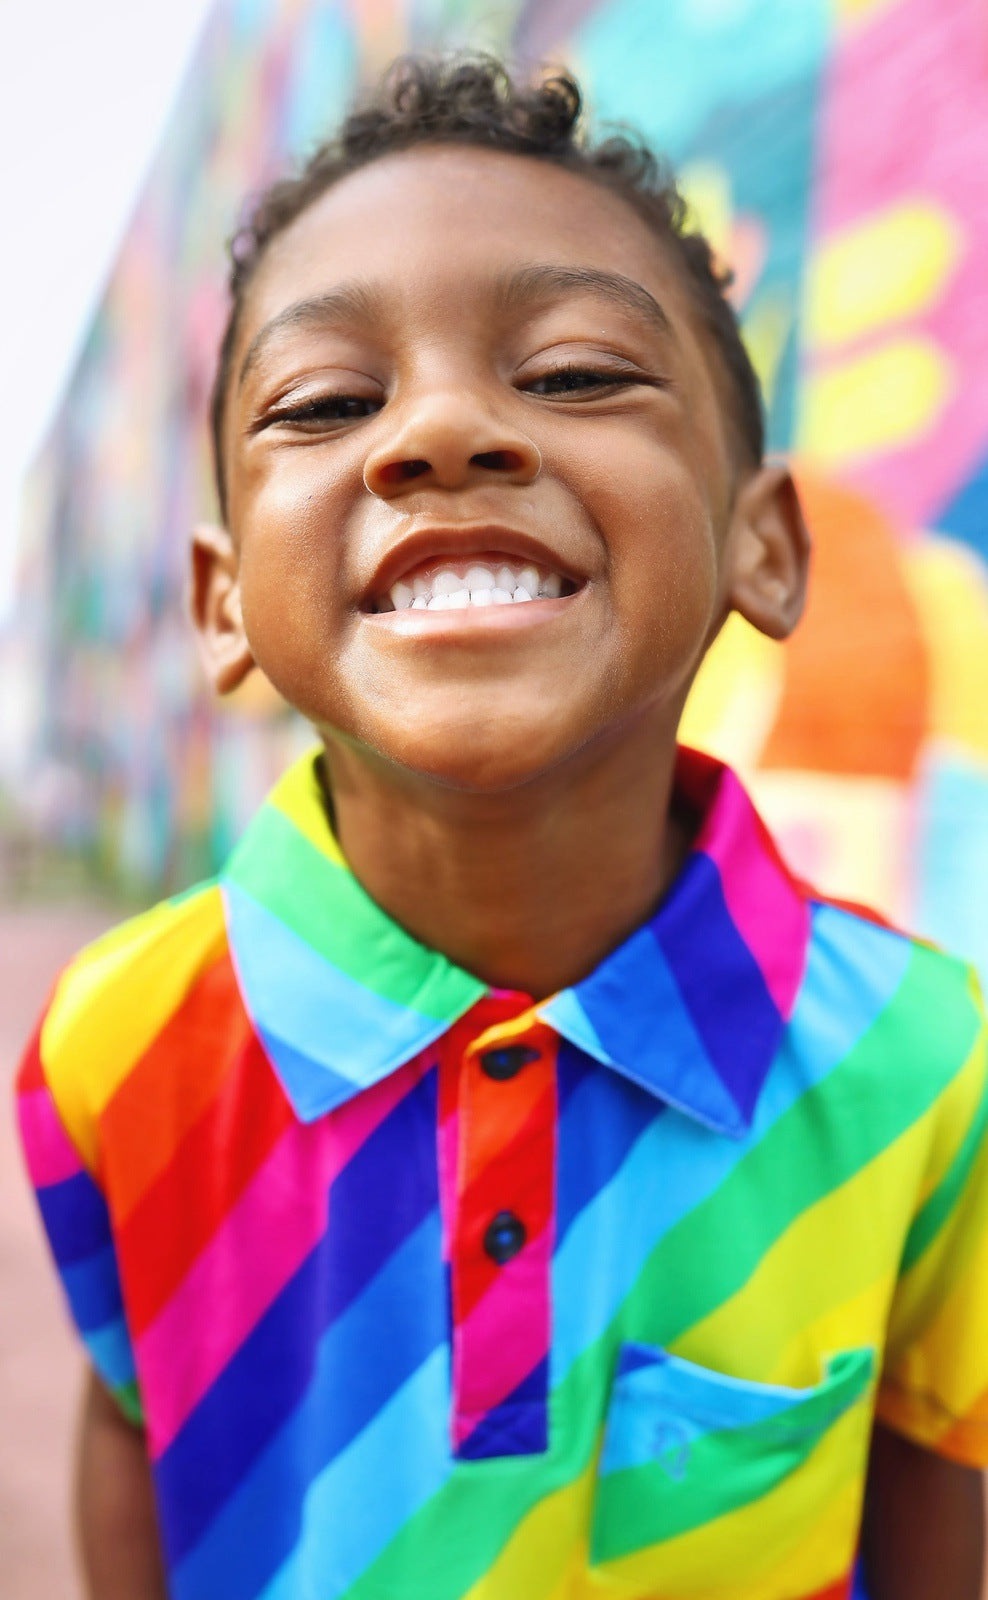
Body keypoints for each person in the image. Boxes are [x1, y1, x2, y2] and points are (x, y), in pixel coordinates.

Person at [15, 54, 988, 1600]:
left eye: (578, 374)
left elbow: (940, 1496)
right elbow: (137, 1435)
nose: (445, 433)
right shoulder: (112, 1047)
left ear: (767, 547)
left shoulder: (925, 1064)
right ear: (224, 610)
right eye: (330, 401)